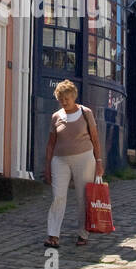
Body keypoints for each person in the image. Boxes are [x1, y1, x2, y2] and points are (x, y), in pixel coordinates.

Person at [42, 80, 105, 248]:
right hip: (60, 160)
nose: (64, 102)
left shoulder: (86, 113)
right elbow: (50, 143)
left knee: (83, 197)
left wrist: (99, 162)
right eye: (61, 98)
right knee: (58, 196)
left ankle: (83, 234)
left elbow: (95, 138)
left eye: (67, 98)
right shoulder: (56, 116)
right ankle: (53, 235)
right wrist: (47, 166)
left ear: (73, 96)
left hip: (84, 158)